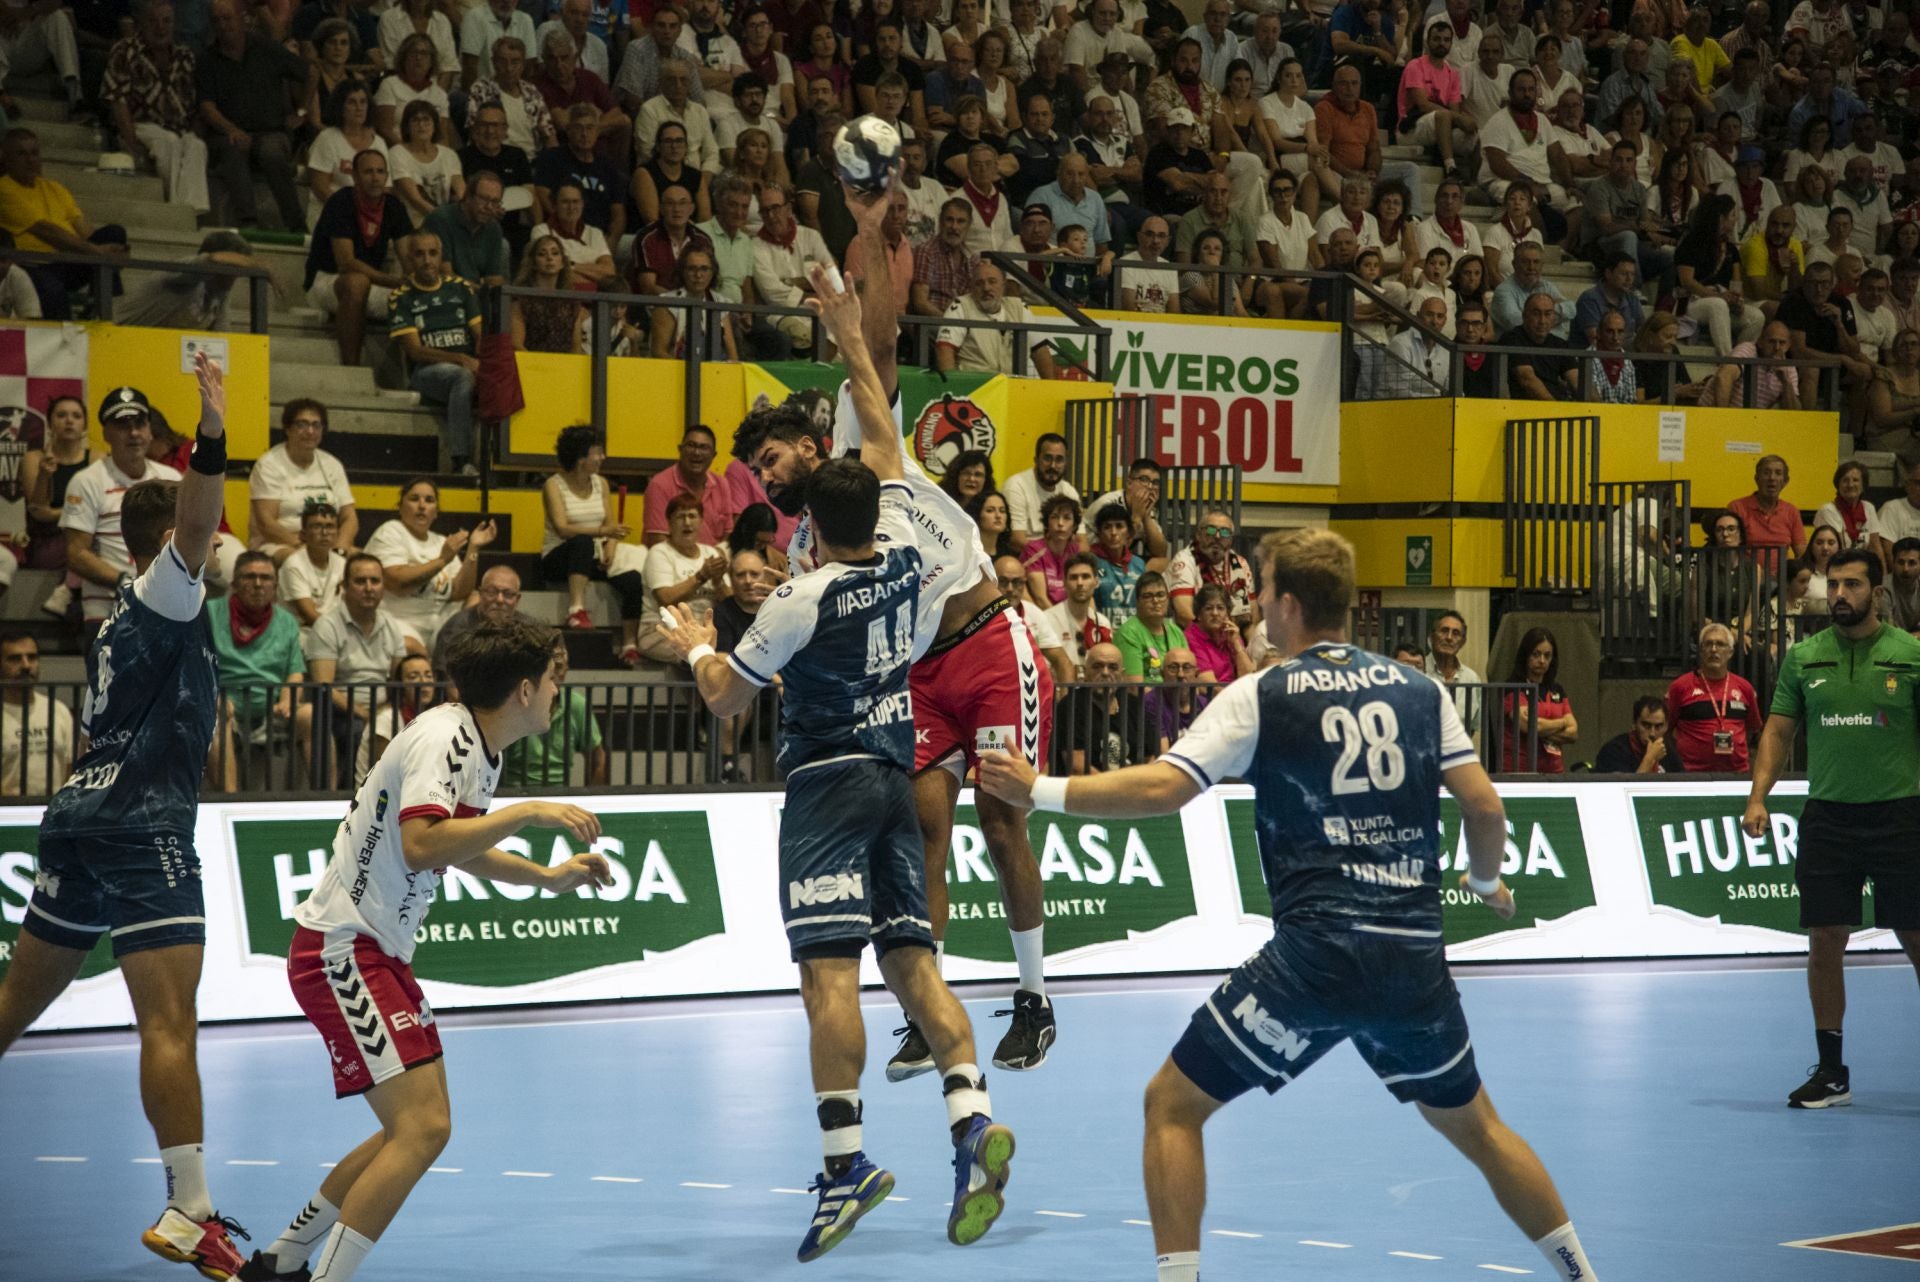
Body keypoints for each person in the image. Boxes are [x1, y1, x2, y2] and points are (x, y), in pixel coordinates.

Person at [975, 527, 1600, 1282]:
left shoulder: (1261, 695)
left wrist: (1037, 790)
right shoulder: (1423, 691)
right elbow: (1485, 808)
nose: (1256, 604)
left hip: (1314, 962)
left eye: (1264, 591)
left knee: (1171, 1106)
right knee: (1481, 1129)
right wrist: (1482, 881)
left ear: (1293, 605)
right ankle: (1582, 1274)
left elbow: (1164, 788)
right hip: (1412, 961)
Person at [662, 261, 1019, 1262]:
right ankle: (970, 1117)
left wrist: (690, 638)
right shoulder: (909, 547)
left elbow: (727, 693)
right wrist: (847, 331)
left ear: (813, 522)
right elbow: (875, 413)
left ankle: (845, 1165)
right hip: (898, 777)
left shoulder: (799, 598)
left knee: (829, 977)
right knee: (913, 962)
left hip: (824, 786)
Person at [734, 216, 1061, 1081]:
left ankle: (1033, 998)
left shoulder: (866, 443)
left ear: (811, 445)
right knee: (923, 829)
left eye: (770, 460)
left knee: (1002, 823)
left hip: (988, 641)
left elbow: (878, 337)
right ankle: (929, 1010)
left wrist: (877, 236)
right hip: (915, 677)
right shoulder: (812, 546)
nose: (765, 479)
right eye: (757, 475)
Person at [246, 620, 609, 1282]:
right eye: (555, 678)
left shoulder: (473, 745)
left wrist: (548, 878)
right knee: (423, 1129)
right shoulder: (445, 737)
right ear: (525, 689)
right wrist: (530, 812)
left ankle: (284, 1257)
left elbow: (458, 843)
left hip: (375, 952)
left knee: (410, 1130)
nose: (561, 690)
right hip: (342, 949)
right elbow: (422, 843)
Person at [0, 354, 253, 1280]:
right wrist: (212, 427)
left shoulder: (117, 622)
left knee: (15, 1006)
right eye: (210, 543)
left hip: (78, 817)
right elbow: (192, 519)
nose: (216, 552)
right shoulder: (167, 586)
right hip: (143, 827)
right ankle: (191, 1212)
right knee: (168, 1025)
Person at [1743, 547, 1920, 1109]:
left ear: (1878, 592)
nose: (1839, 595)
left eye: (1851, 585)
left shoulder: (1910, 655)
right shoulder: (1804, 658)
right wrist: (1758, 797)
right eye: (1833, 584)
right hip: (1829, 817)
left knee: (1917, 939)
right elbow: (1776, 733)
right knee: (1824, 940)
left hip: (1901, 816)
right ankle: (1831, 1073)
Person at [62, 387, 184, 638]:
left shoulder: (171, 478)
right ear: (105, 433)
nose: (134, 433)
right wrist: (125, 581)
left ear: (151, 430)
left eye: (140, 423)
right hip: (107, 610)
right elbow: (76, 553)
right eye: (123, 425)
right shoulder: (86, 481)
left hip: (166, 606)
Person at [299, 552, 427, 784]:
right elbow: (324, 686)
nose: (369, 588)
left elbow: (398, 679)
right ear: (344, 587)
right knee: (358, 730)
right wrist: (366, 714)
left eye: (375, 581)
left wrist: (387, 710)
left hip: (384, 708)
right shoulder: (327, 626)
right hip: (340, 711)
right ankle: (351, 798)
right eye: (360, 581)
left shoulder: (390, 624)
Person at [196, 0, 309, 231]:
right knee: (232, 147)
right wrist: (232, 130)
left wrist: (301, 111)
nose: (222, 24)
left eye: (227, 18)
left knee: (272, 151)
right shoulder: (207, 59)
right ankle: (248, 222)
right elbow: (207, 107)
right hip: (227, 132)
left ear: (241, 18)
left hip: (270, 131)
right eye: (216, 20)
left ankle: (296, 225)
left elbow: (310, 72)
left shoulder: (266, 48)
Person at [0, 127, 129, 320]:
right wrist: (99, 253)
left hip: (68, 261)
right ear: (7, 158)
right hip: (33, 264)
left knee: (114, 233)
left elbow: (84, 230)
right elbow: (47, 232)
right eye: (21, 154)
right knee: (53, 285)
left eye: (34, 153)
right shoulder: (4, 189)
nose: (30, 160)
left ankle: (100, 310)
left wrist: (109, 250)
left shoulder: (55, 188)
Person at [387, 231, 482, 476]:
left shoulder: (460, 288)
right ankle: (461, 460)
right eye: (419, 254)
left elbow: (479, 334)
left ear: (441, 256)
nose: (427, 260)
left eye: (433, 253)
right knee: (461, 376)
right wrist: (460, 359)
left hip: (467, 365)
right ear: (409, 259)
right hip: (427, 372)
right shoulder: (402, 297)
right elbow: (415, 351)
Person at [305, 149, 411, 367]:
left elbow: (409, 256)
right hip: (327, 280)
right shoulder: (341, 202)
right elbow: (346, 263)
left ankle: (418, 374)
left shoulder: (393, 206)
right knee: (356, 282)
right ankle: (351, 368)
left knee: (422, 292)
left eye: (380, 172)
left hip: (373, 284)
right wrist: (393, 281)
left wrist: (417, 282)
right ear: (354, 176)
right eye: (368, 172)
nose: (375, 178)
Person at [101, 0, 208, 216]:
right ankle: (181, 214)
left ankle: (190, 211)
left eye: (166, 21)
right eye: (154, 21)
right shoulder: (125, 50)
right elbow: (117, 100)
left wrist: (196, 129)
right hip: (142, 125)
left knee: (196, 147)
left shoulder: (185, 56)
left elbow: (195, 102)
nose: (161, 28)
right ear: (142, 23)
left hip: (180, 128)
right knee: (168, 143)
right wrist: (131, 142)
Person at [364, 478, 495, 651]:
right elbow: (398, 583)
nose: (422, 505)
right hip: (399, 622)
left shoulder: (440, 541)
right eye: (414, 498)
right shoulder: (390, 532)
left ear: (436, 512)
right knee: (415, 648)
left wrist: (473, 548)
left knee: (476, 599)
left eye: (429, 500)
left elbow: (459, 592)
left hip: (438, 625)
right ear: (400, 507)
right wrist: (442, 561)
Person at [541, 423, 639, 633]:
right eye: (598, 453)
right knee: (582, 542)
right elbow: (563, 529)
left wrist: (610, 550)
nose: (603, 457)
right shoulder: (553, 485)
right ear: (581, 458)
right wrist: (603, 533)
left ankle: (629, 642)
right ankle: (576, 609)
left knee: (632, 579)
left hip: (593, 555)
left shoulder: (601, 483)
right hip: (559, 557)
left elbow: (610, 526)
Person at [207, 549, 305, 745]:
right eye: (250, 577)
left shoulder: (287, 621)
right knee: (216, 721)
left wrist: (287, 701)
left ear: (275, 586)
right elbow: (197, 668)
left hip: (273, 710)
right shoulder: (209, 612)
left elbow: (295, 672)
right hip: (223, 705)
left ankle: (328, 778)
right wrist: (214, 699)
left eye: (265, 578)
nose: (258, 584)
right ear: (234, 583)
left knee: (309, 715)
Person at [248, 400, 357, 564]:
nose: (310, 431)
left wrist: (340, 549)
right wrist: (309, 549)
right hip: (278, 544)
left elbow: (350, 518)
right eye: (302, 424)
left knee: (367, 563)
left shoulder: (332, 464)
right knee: (297, 562)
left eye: (316, 425)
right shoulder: (268, 465)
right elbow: (266, 524)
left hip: (327, 545)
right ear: (288, 428)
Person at [1664, 620, 1762, 772]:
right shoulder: (1680, 687)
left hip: (1736, 773)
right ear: (1701, 651)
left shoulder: (1745, 688)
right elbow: (1665, 729)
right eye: (1708, 644)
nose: (1714, 649)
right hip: (1691, 774)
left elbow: (1752, 729)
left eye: (1720, 644)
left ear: (1730, 652)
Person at [1057, 641, 1153, 773]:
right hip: (1088, 790)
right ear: (1085, 672)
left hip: (1132, 787)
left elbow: (1150, 757)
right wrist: (1115, 789)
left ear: (1122, 675)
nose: (1105, 673)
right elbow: (1077, 767)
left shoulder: (1134, 705)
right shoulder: (1070, 705)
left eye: (1113, 667)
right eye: (1097, 666)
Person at [0, 629, 72, 795]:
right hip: (7, 815)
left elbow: (70, 768)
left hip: (52, 813)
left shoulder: (58, 710)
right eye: (15, 659)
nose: (26, 665)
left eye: (31, 657)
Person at [430, 563, 534, 675]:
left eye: (508, 594)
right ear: (480, 594)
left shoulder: (528, 629)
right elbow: (447, 679)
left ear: (517, 599)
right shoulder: (457, 628)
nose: (499, 600)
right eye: (491, 592)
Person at [1501, 625, 1575, 772]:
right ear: (1525, 655)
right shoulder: (1513, 687)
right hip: (1519, 772)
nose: (1542, 660)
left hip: (1554, 771)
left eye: (1547, 656)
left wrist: (1541, 729)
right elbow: (1529, 726)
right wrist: (1562, 722)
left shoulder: (1557, 689)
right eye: (1536, 654)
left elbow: (1573, 733)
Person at [1168, 511, 1254, 628]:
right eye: (1211, 530)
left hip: (1232, 635)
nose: (1217, 536)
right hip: (1196, 636)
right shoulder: (1184, 561)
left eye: (1224, 532)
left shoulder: (1240, 563)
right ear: (1198, 535)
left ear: (1231, 539)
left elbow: (1252, 616)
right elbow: (1184, 615)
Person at [1042, 551, 1114, 676]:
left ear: (1096, 582)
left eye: (1085, 577)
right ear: (1064, 582)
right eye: (1074, 577)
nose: (1080, 583)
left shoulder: (1103, 623)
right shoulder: (1047, 619)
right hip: (1058, 690)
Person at [1003, 433, 1080, 546]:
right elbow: (1017, 540)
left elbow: (1082, 542)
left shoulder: (1069, 491)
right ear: (1036, 460)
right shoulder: (1016, 485)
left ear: (1065, 463)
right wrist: (1049, 558)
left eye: (1059, 460)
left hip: (1060, 557)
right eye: (1047, 458)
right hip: (1025, 558)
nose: (1053, 466)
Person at [279, 501, 346, 627]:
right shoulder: (293, 564)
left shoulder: (341, 563)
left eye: (330, 526)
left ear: (337, 533)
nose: (325, 533)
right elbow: (309, 616)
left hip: (333, 631)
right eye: (317, 526)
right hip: (301, 632)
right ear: (303, 535)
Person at [1726, 454, 1807, 558]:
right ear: (1756, 479)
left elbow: (1802, 554)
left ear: (1785, 481)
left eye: (1778, 473)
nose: (1772, 478)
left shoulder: (1791, 511)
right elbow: (1728, 552)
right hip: (1746, 572)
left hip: (1782, 573)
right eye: (1766, 473)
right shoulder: (1737, 507)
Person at [1116, 569, 1179, 682]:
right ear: (1137, 601)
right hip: (1145, 699)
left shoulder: (1176, 632)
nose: (1155, 600)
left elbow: (1190, 676)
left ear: (1168, 599)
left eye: (1160, 595)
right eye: (1148, 596)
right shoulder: (1128, 633)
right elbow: (1134, 688)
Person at [1183, 580, 1253, 682]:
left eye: (1220, 608)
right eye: (1208, 608)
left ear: (1227, 613)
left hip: (1236, 693)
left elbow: (1249, 678)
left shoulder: (1231, 634)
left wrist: (1237, 645)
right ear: (1199, 614)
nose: (1215, 613)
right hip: (1213, 696)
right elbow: (1208, 686)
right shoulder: (1191, 637)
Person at [1021, 492, 1081, 605]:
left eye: (1067, 518)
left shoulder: (1074, 551)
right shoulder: (1034, 549)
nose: (1060, 523)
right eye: (1054, 517)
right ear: (1047, 523)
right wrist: (1059, 622)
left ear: (1075, 526)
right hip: (1040, 613)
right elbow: (1040, 599)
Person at [1594, 695, 1678, 773]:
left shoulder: (1670, 748)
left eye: (1658, 726)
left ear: (1666, 726)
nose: (1652, 733)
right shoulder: (1613, 751)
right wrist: (1650, 759)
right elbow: (1625, 788)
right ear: (1634, 724)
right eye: (1646, 725)